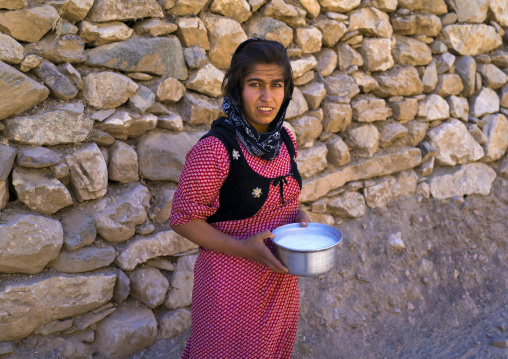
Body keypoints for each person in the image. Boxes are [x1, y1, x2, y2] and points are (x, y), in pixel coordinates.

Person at [169, 38, 309, 359]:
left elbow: (282, 199)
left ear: (287, 90)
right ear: (237, 88)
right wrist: (243, 248)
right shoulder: (215, 150)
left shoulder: (285, 138)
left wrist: (298, 217)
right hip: (230, 287)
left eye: (276, 85)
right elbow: (183, 219)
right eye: (255, 84)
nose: (266, 97)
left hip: (279, 284)